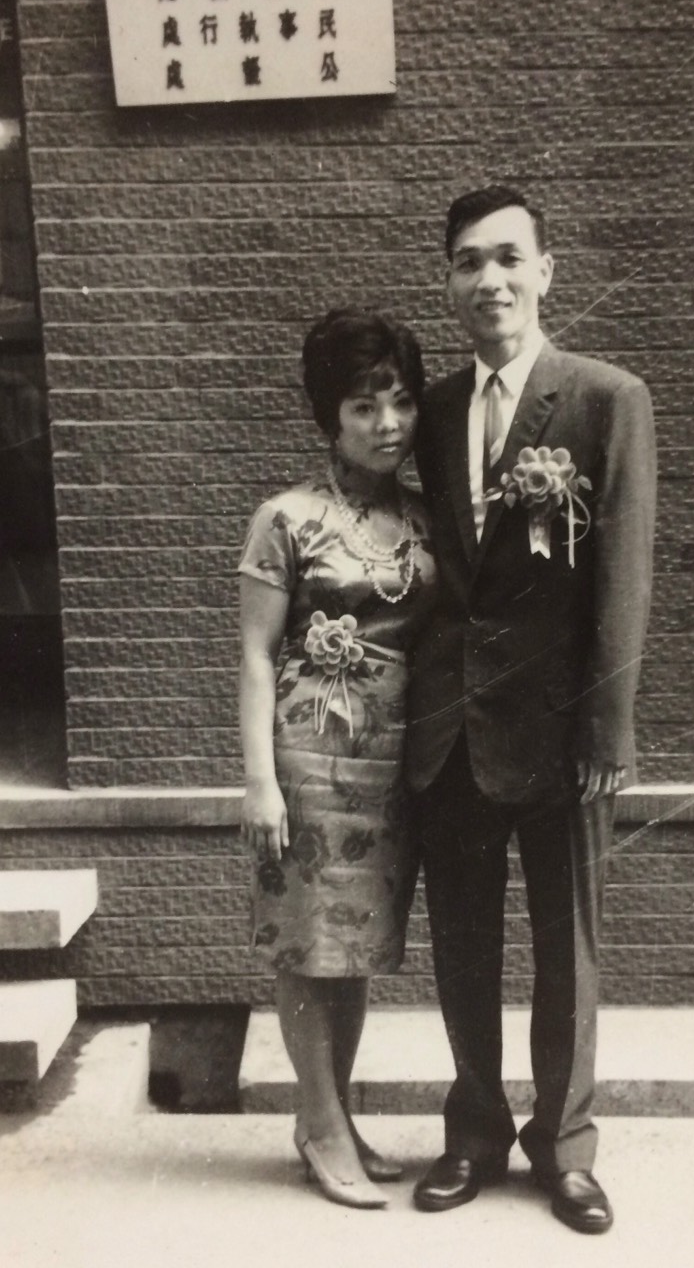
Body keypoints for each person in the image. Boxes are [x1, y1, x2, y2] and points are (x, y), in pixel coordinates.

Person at [407, 185, 657, 1232]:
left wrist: (608, 726)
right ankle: (474, 1129)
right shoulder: (432, 413)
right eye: (468, 261)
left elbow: (624, 577)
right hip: (452, 734)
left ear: (547, 272)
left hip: (562, 735)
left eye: (509, 257)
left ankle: (565, 1145)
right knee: (463, 945)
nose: (490, 280)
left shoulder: (605, 398)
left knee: (569, 951)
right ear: (449, 283)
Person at [238, 307, 435, 1210]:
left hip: (391, 764)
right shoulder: (286, 518)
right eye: (364, 406)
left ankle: (336, 1115)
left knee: (352, 947)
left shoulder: (425, 518)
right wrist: (260, 783)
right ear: (330, 416)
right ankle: (317, 1124)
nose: (387, 424)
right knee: (308, 942)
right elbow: (254, 655)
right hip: (309, 757)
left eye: (400, 401)